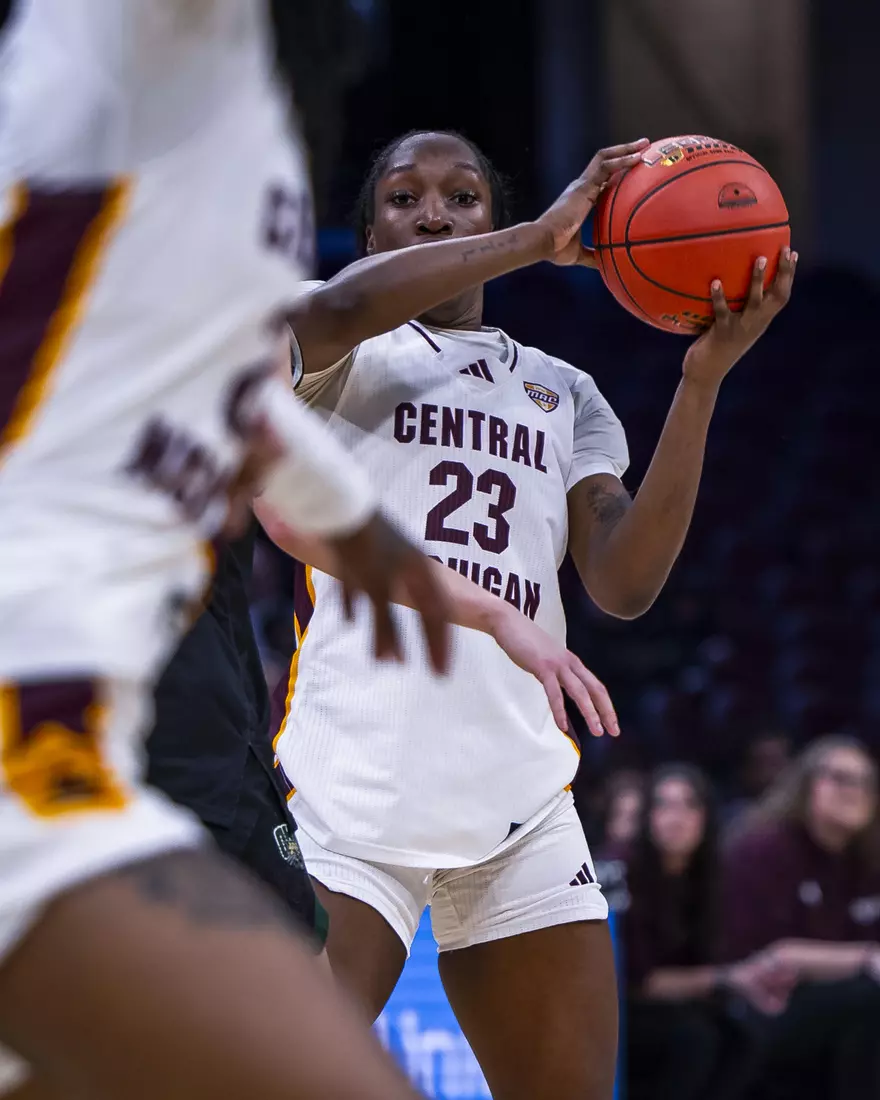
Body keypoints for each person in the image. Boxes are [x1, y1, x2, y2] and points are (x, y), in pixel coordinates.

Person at [0, 5, 643, 1098]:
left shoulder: (222, 267)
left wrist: (496, 617)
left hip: (197, 737)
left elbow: (303, 508)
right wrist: (541, 236)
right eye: (401, 200)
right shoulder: (85, 208)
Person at [265, 128, 796, 1100]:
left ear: (491, 212)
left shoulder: (565, 393)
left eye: (463, 196)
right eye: (404, 196)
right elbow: (325, 307)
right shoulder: (336, 352)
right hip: (354, 787)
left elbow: (622, 584)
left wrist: (700, 382)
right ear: (368, 228)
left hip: (518, 797)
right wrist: (536, 237)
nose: (434, 210)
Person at [722, 735, 880, 1100]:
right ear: (807, 782)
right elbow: (774, 957)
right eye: (840, 778)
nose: (853, 790)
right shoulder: (764, 849)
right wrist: (868, 957)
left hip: (843, 1003)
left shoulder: (868, 858)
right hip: (762, 1004)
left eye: (864, 782)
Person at [623, 765, 794, 1100]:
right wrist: (727, 978)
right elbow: (637, 982)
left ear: (706, 816)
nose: (677, 817)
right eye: (664, 805)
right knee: (695, 1038)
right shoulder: (623, 871)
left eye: (690, 805)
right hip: (627, 1006)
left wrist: (744, 982)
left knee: (745, 1037)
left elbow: (723, 956)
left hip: (686, 1004)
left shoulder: (713, 875)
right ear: (646, 815)